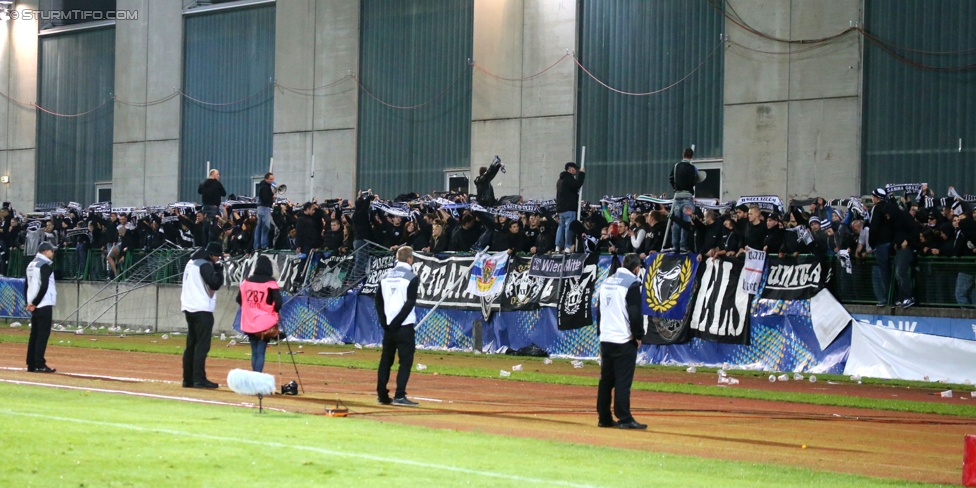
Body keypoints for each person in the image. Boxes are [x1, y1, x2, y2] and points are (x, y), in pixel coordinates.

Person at [595, 253, 646, 430]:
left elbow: (599, 309)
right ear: (637, 268)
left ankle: (604, 417)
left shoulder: (607, 281)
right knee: (623, 381)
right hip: (623, 339)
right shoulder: (632, 283)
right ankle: (624, 418)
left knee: (606, 380)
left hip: (606, 338)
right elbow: (634, 313)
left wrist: (601, 332)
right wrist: (638, 335)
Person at [375, 246, 420, 407]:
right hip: (404, 325)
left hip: (388, 326)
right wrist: (397, 322)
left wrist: (385, 321)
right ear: (410, 259)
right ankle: (400, 395)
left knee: (386, 360)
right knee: (405, 361)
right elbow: (410, 303)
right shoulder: (412, 277)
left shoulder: (385, 276)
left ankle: (381, 394)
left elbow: (378, 302)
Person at [180, 241, 225, 389]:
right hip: (201, 308)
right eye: (217, 257)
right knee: (202, 345)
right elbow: (214, 284)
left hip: (189, 306)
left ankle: (188, 379)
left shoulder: (191, 262)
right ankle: (199, 378)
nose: (218, 259)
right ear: (212, 255)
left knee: (191, 344)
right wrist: (218, 271)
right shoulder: (205, 264)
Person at [236, 255, 282, 373]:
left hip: (249, 321)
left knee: (254, 351)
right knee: (261, 351)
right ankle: (257, 376)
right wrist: (273, 311)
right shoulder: (271, 283)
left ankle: (254, 378)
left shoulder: (246, 282)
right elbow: (278, 302)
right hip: (265, 322)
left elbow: (239, 299)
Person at [25, 242, 58, 373]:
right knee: (42, 335)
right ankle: (39, 363)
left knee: (34, 334)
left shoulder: (31, 264)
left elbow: (26, 285)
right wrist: (36, 302)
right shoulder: (44, 266)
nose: (53, 254)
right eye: (52, 251)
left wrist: (29, 302)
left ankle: (31, 363)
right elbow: (44, 286)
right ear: (45, 252)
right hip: (43, 303)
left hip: (33, 303)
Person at [668, 148, 706, 252]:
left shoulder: (676, 166)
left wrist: (676, 187)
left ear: (682, 154)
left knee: (676, 222)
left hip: (677, 196)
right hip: (687, 196)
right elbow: (696, 180)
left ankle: (675, 246)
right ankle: (683, 246)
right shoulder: (692, 168)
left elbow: (671, 178)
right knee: (686, 221)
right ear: (692, 156)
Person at [555, 162, 585, 253]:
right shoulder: (568, 178)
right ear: (571, 168)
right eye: (575, 169)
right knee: (569, 227)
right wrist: (582, 174)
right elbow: (577, 184)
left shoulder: (560, 180)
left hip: (561, 208)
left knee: (561, 227)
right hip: (569, 208)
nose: (576, 171)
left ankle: (558, 246)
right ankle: (568, 246)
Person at [254, 172, 275, 250]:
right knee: (266, 227)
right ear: (266, 179)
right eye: (271, 179)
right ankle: (264, 244)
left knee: (259, 227)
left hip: (260, 208)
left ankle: (257, 245)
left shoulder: (262, 186)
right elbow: (266, 199)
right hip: (264, 208)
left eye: (273, 179)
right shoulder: (265, 187)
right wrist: (272, 196)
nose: (272, 181)